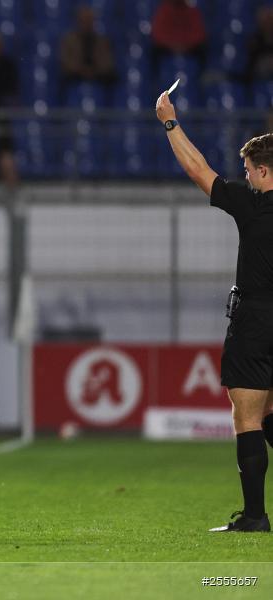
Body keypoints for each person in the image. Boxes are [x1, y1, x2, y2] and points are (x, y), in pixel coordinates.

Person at [156, 89, 271, 532]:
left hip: (256, 318)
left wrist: (170, 122)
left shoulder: (254, 205)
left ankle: (255, 517)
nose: (246, 177)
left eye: (248, 171)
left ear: (262, 171)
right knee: (270, 413)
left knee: (247, 413)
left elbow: (198, 170)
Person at [59, 5, 116, 87]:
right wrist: (81, 70)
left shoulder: (102, 41)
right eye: (84, 20)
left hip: (97, 73)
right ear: (78, 21)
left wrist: (94, 71)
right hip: (76, 73)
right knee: (63, 78)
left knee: (112, 77)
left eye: (89, 20)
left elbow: (108, 62)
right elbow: (65, 61)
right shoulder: (69, 40)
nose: (87, 23)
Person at [150, 0, 207, 67]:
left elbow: (199, 33)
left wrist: (185, 44)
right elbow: (157, 32)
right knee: (154, 52)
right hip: (168, 46)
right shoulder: (164, 9)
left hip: (188, 47)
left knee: (202, 51)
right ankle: (155, 76)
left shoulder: (192, 10)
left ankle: (202, 75)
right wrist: (172, 44)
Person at [247, 5, 273, 84]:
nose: (268, 23)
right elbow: (250, 66)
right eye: (266, 20)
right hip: (258, 80)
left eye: (271, 20)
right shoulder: (255, 40)